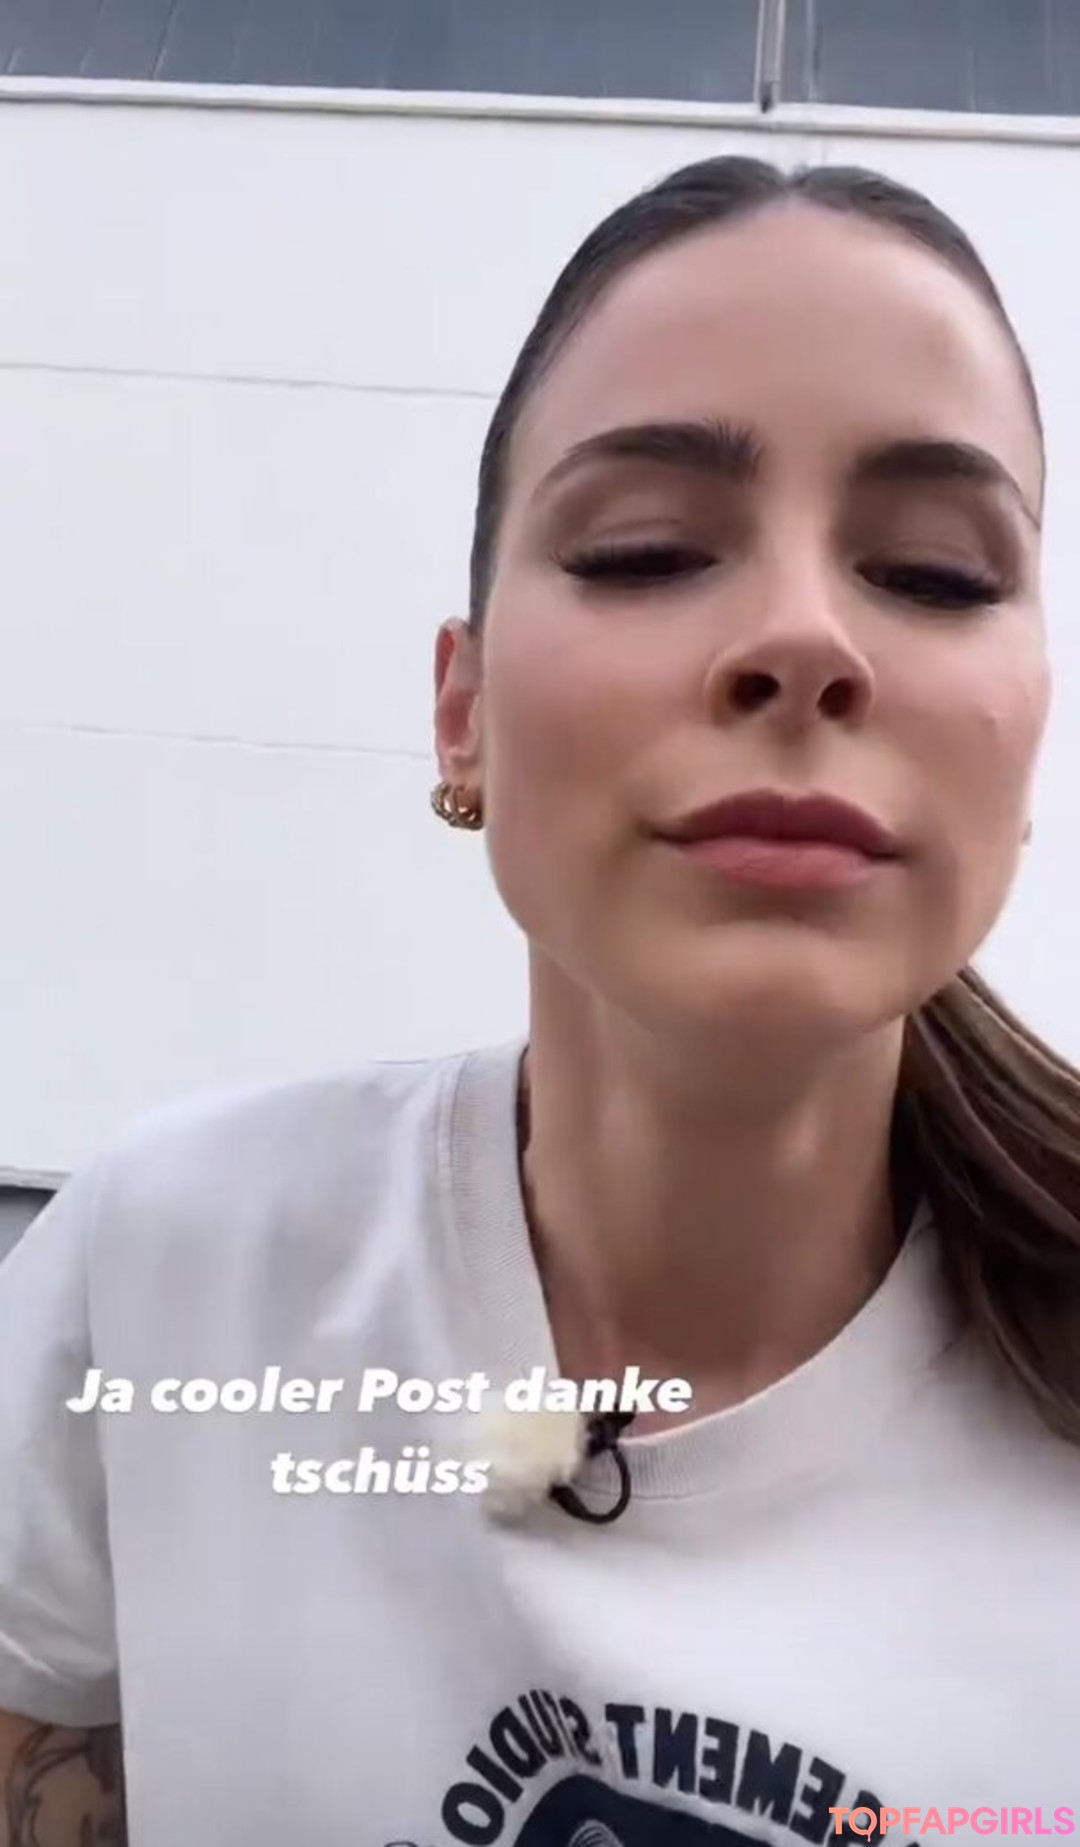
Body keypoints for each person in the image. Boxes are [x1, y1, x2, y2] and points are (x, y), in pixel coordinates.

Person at [0, 151, 1076, 1847]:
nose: (804, 637)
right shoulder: (165, 1279)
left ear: (1027, 749)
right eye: (647, 550)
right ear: (464, 716)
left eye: (938, 573)